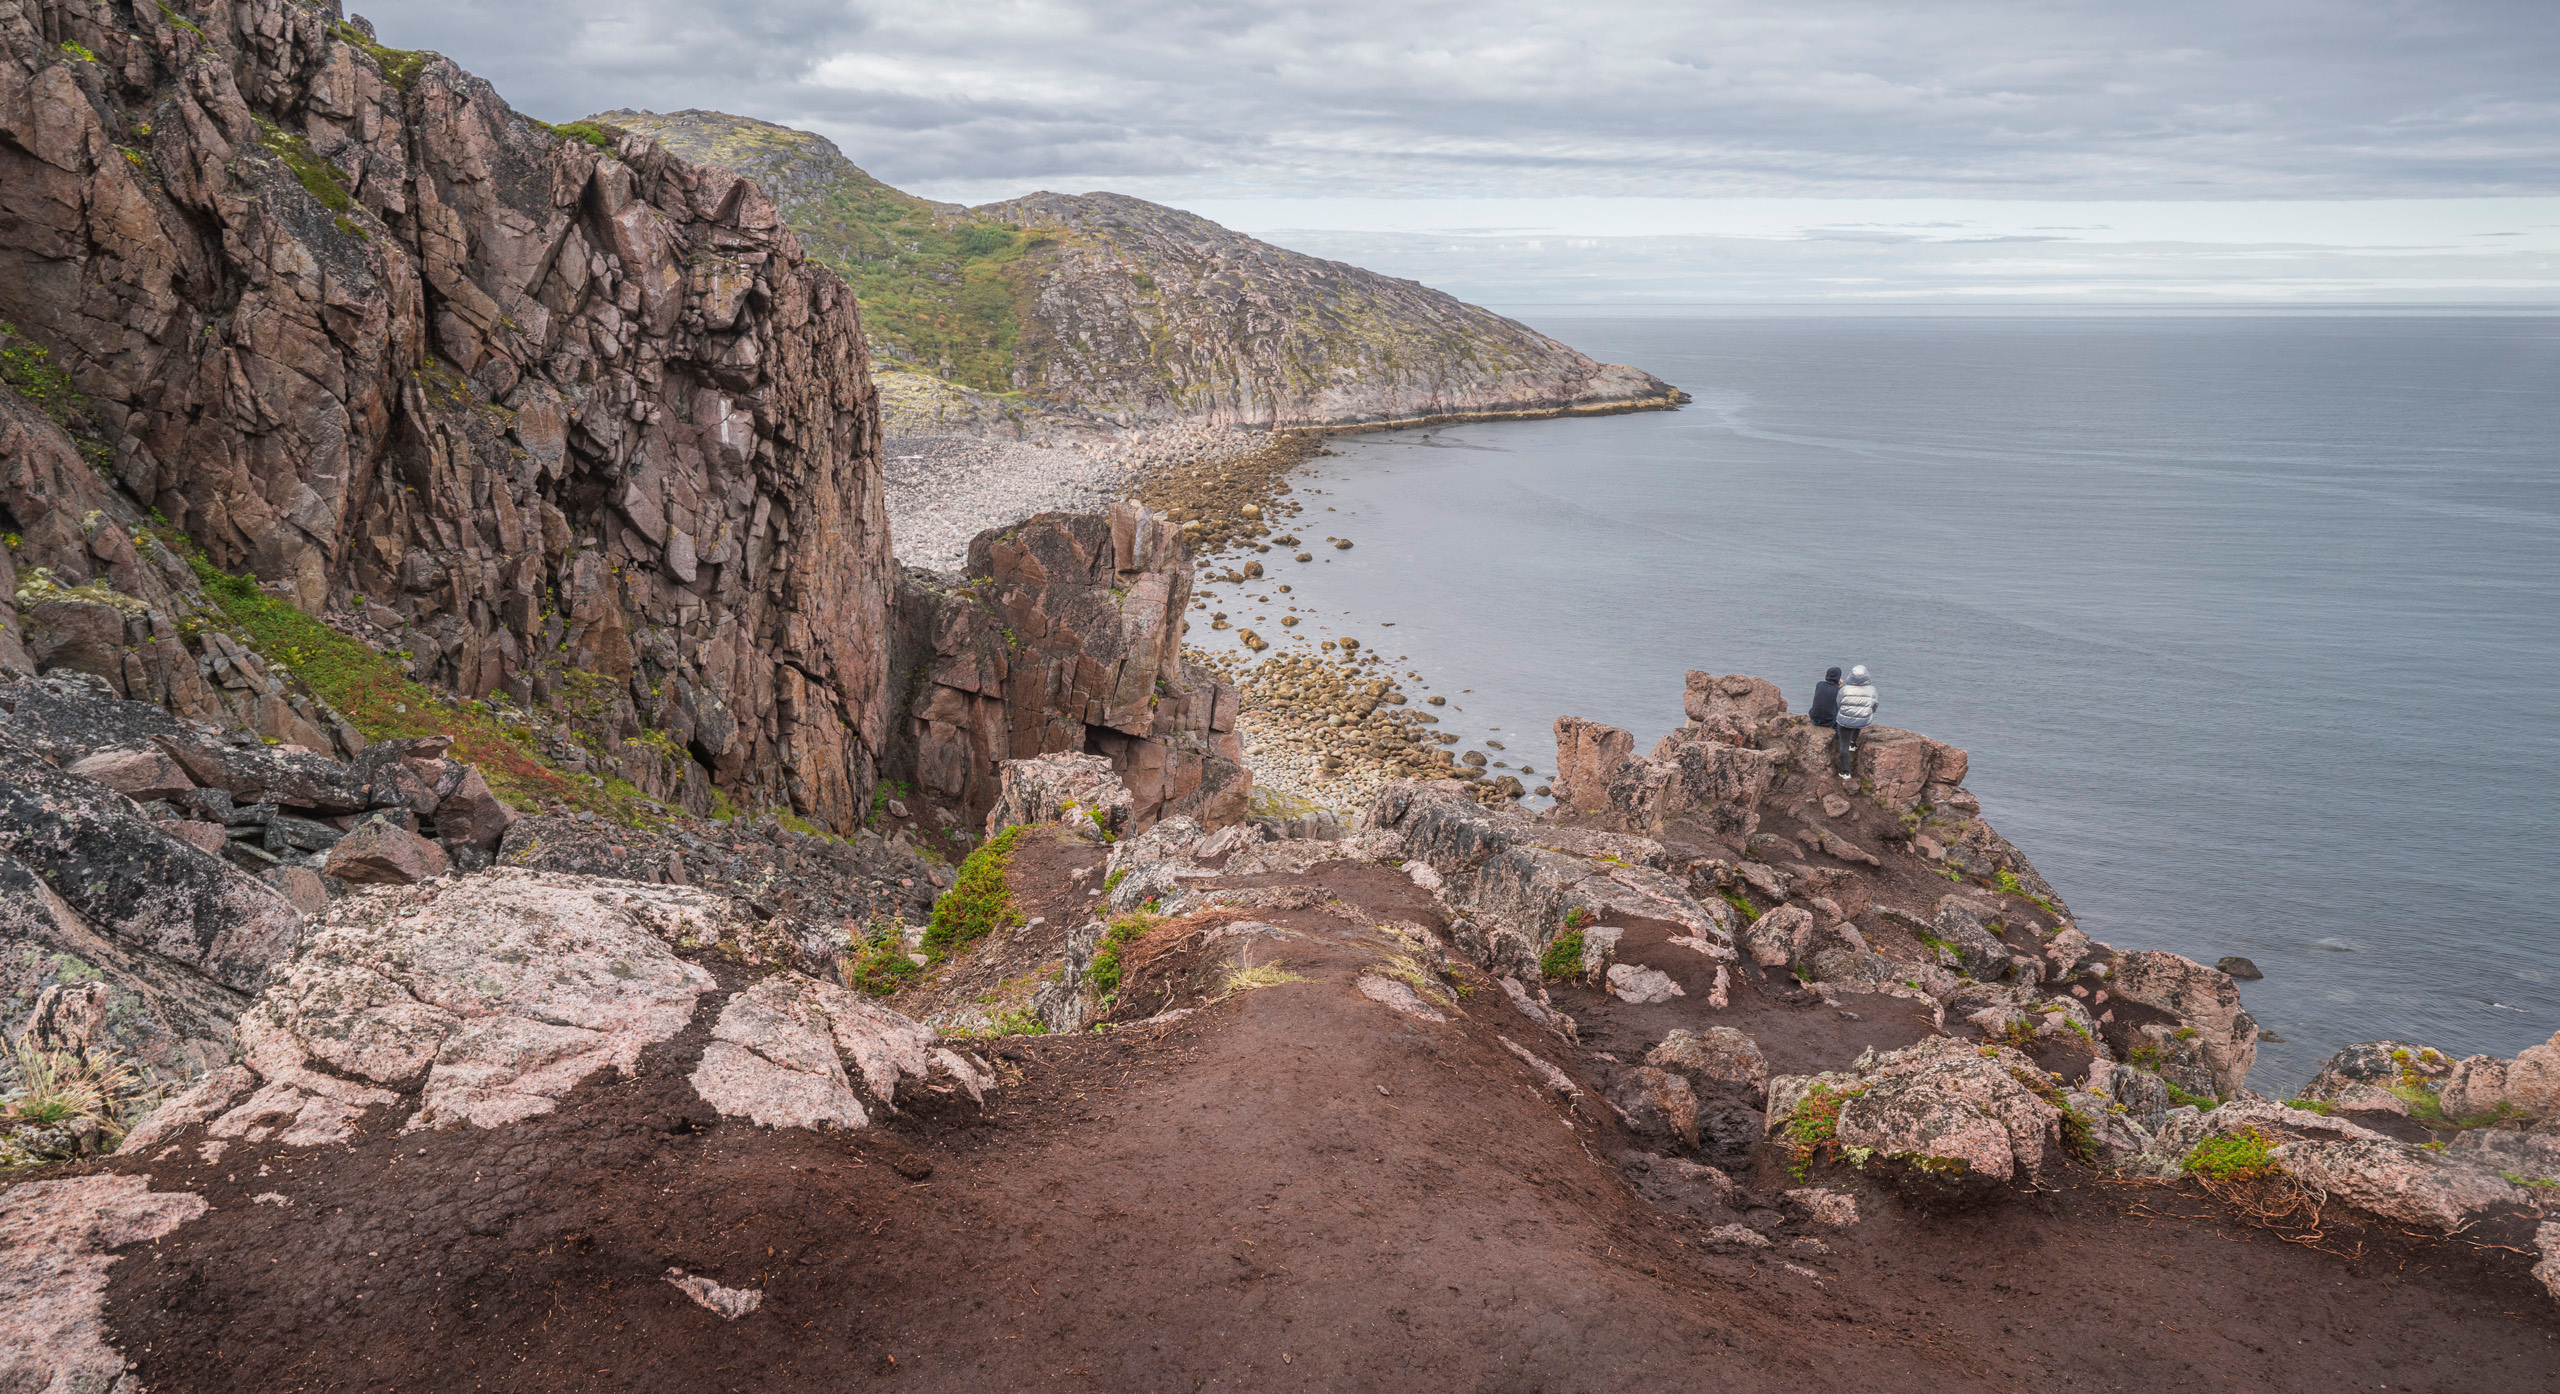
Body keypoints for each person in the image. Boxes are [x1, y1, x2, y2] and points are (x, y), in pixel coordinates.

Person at [1833, 664, 1878, 778]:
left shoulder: (1844, 689)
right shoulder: (1872, 690)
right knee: (1859, 719)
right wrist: (1868, 712)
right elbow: (1875, 705)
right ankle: (1853, 743)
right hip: (1863, 719)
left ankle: (1846, 772)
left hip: (1844, 720)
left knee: (1843, 744)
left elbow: (1838, 703)